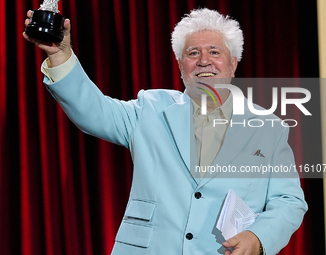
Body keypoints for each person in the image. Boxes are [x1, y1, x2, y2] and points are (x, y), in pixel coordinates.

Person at [23, 8, 307, 255]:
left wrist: (258, 238)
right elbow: (93, 111)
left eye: (215, 52)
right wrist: (62, 55)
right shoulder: (150, 109)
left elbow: (289, 201)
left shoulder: (269, 129)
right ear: (181, 65)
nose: (204, 60)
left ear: (232, 64)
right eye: (193, 53)